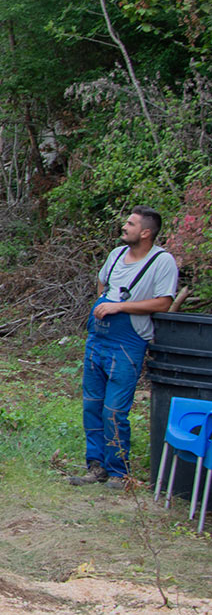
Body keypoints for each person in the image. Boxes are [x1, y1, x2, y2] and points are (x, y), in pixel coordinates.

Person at [68, 206, 179, 490]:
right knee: (91, 407)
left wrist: (119, 307)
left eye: (130, 223)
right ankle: (96, 467)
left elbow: (163, 302)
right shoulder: (116, 255)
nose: (124, 226)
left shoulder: (162, 262)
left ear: (145, 232)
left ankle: (119, 471)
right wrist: (104, 304)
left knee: (114, 411)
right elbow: (102, 282)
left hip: (128, 344)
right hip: (98, 341)